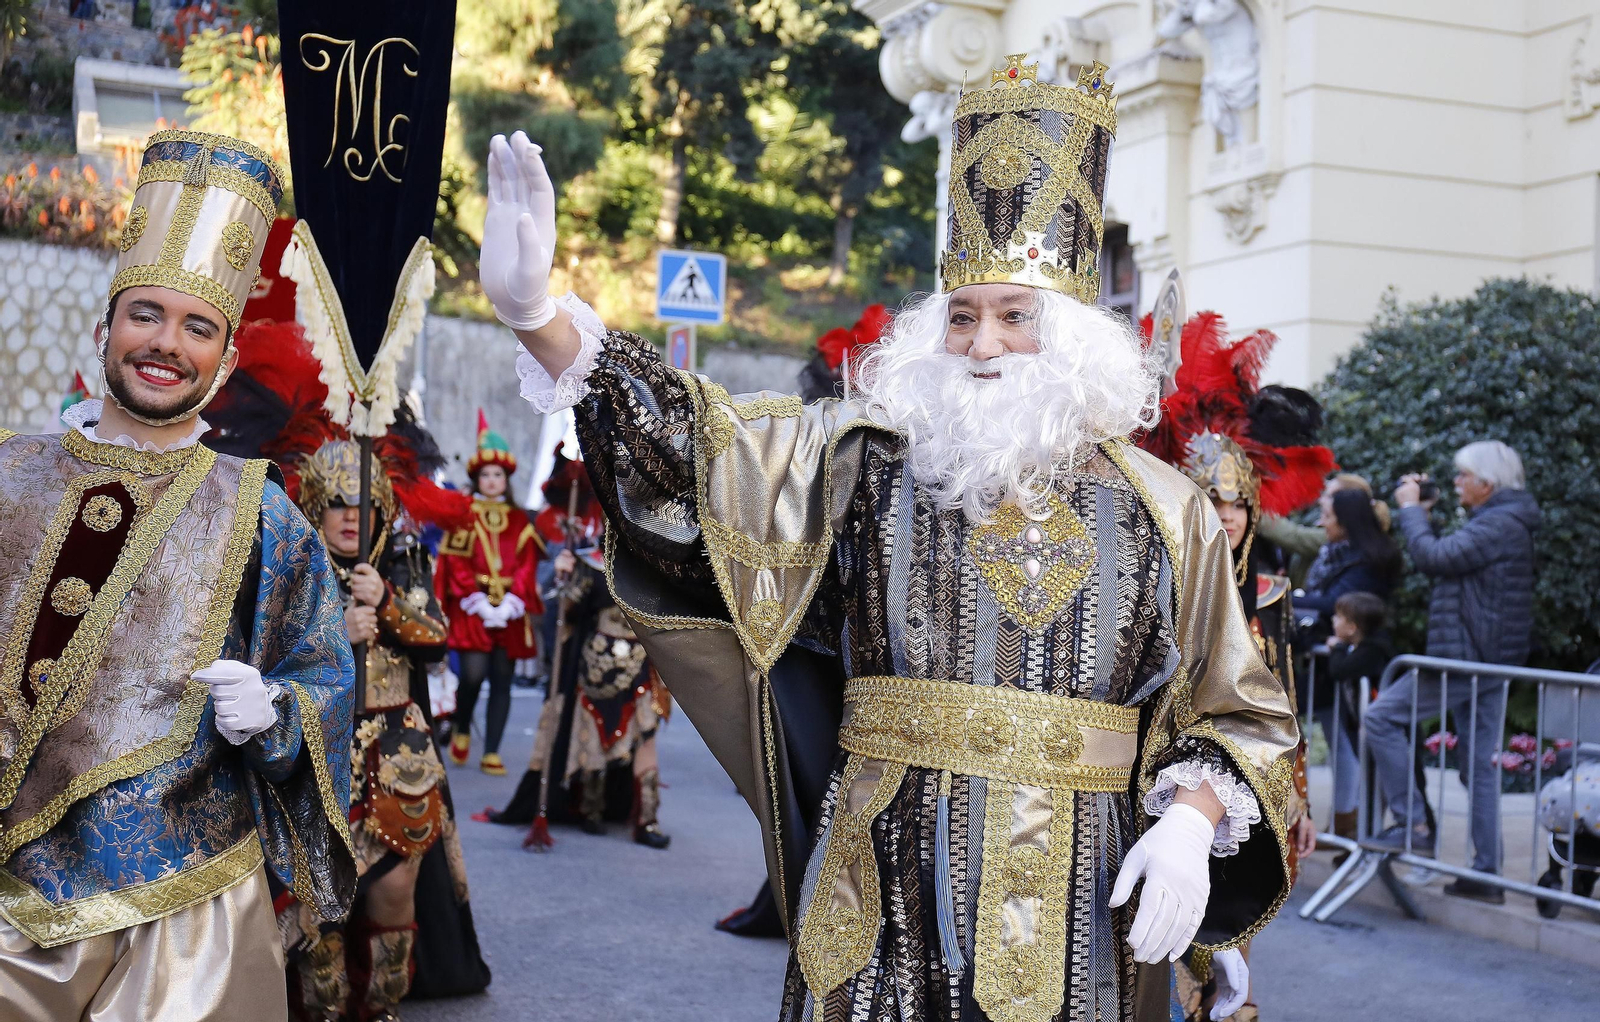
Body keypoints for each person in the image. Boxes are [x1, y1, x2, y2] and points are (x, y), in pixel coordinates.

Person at [481, 54, 1298, 1022]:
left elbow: (1238, 707)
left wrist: (1190, 818)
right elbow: (701, 450)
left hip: (1076, 888)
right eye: (961, 316)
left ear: (1074, 334)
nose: (983, 344)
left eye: (1013, 317)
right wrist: (542, 321)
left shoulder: (1168, 507)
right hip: (879, 870)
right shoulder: (863, 462)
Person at [0, 129, 356, 1021]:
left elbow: (323, 673)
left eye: (198, 326)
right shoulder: (9, 471)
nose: (167, 343)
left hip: (184, 913)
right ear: (104, 328)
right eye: (145, 315)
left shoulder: (263, 510)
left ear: (226, 360)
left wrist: (277, 711)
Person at [1140, 312, 1330, 1022]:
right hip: (1166, 791)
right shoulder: (1154, 587)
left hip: (1252, 792)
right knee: (1160, 954)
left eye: (1234, 502)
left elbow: (1281, 697)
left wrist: (1300, 800)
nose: (1224, 515)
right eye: (1209, 500)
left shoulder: (1273, 593)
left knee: (1233, 961)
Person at [1367, 441, 1541, 902]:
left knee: (1380, 718)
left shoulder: (1499, 524)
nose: (1458, 482)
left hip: (1464, 659)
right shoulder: (1501, 522)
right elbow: (1455, 557)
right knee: (1479, 768)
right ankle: (1485, 875)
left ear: (1488, 484)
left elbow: (1435, 557)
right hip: (1483, 658)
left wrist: (1409, 511)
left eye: (1464, 476)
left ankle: (1413, 824)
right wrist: (1423, 515)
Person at [481, 541, 673, 850]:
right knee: (592, 733)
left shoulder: (662, 559)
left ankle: (647, 819)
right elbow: (565, 615)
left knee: (645, 736)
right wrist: (561, 579)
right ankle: (591, 808)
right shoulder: (590, 562)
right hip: (595, 662)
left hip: (644, 661)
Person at [435, 413, 542, 774]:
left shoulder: (519, 519)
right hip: (473, 609)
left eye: (498, 475)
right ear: (477, 478)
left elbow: (527, 563)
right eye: (486, 475)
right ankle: (463, 723)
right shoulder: (465, 516)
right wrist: (475, 599)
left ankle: (492, 750)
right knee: (472, 676)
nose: (492, 481)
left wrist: (515, 601)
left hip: (511, 610)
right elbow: (455, 564)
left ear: (506, 479)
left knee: (502, 679)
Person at [1321, 592, 1391, 844]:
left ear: (1351, 627)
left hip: (1387, 735)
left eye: (1339, 617)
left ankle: (1374, 842)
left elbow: (1341, 670)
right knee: (1371, 790)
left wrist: (1337, 648)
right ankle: (1365, 843)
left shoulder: (1374, 650)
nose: (1333, 620)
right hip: (1369, 733)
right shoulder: (1363, 647)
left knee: (1386, 790)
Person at [1293, 487, 1401, 640]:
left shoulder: (1367, 562)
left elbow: (1335, 604)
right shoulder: (1334, 553)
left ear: (1345, 522)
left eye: (1327, 516)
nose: (1321, 522)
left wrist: (1286, 599)